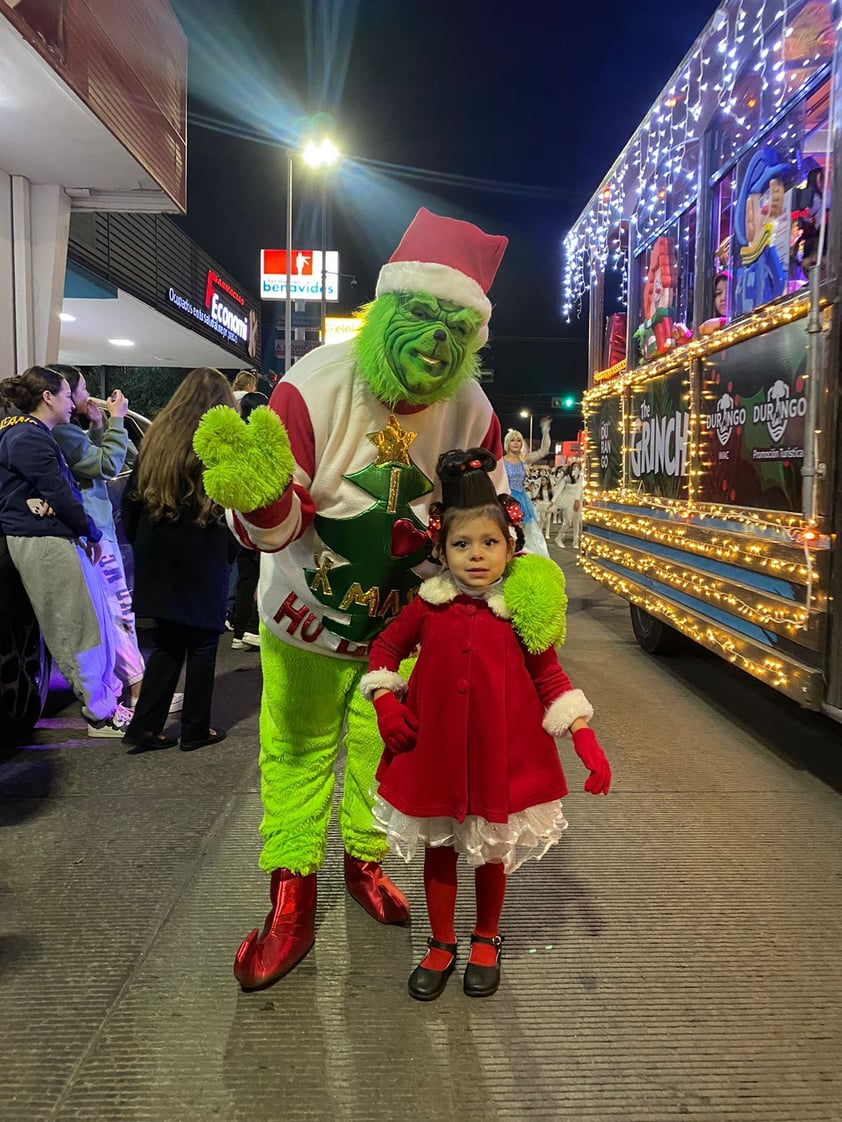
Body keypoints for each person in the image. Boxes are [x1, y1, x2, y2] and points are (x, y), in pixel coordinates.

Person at [192, 207, 553, 992]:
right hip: (305, 622)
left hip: (405, 635)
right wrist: (256, 500)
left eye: (455, 330)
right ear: (385, 311)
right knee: (294, 753)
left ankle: (362, 862)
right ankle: (290, 893)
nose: (434, 342)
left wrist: (526, 594)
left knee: (385, 756)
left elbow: (487, 533)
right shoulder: (311, 389)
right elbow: (279, 528)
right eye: (421, 316)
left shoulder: (473, 413)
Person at [360, 449, 611, 1001]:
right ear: (441, 550)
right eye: (462, 544)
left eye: (489, 543)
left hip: (500, 752)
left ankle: (486, 937)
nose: (476, 556)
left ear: (511, 546)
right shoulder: (427, 606)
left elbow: (549, 676)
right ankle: (443, 941)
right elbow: (384, 648)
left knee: (491, 848)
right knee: (441, 847)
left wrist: (583, 735)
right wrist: (385, 702)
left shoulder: (520, 611)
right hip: (437, 753)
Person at [0, 367, 131, 736]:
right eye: (69, 393)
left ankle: (106, 704)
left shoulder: (23, 432)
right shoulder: (27, 436)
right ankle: (101, 714)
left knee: (85, 624)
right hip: (45, 540)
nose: (75, 399)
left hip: (48, 536)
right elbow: (60, 493)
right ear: (48, 398)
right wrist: (88, 531)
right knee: (77, 630)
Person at [49, 365, 183, 716]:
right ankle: (139, 691)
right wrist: (118, 420)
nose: (82, 395)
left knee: (117, 609)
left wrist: (98, 425)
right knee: (117, 610)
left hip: (98, 529)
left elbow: (95, 460)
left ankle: (130, 689)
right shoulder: (61, 432)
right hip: (93, 532)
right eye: (76, 390)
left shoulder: (69, 432)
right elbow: (107, 465)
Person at [122, 367, 239, 752]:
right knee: (204, 640)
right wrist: (231, 553)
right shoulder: (222, 443)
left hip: (158, 549)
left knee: (168, 641)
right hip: (203, 550)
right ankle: (194, 728)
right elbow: (234, 505)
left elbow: (131, 501)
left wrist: (141, 544)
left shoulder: (158, 437)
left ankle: (144, 727)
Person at [230, 391, 268, 651]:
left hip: (235, 518)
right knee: (257, 576)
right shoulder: (258, 442)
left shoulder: (234, 440)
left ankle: (239, 628)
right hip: (255, 516)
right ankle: (250, 628)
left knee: (246, 576)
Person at [502, 419, 552, 557]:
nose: (516, 443)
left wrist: (545, 430)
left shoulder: (524, 459)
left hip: (521, 500)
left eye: (518, 440)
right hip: (506, 499)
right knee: (507, 533)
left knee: (521, 534)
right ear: (507, 443)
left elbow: (544, 450)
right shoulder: (501, 462)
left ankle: (519, 559)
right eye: (513, 440)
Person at [554, 461, 584, 549]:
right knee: (568, 521)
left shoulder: (581, 478)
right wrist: (553, 501)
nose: (576, 468)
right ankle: (558, 537)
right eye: (574, 466)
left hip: (577, 501)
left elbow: (580, 489)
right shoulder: (566, 478)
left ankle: (575, 542)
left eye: (577, 467)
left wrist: (578, 500)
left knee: (576, 522)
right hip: (567, 501)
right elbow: (559, 490)